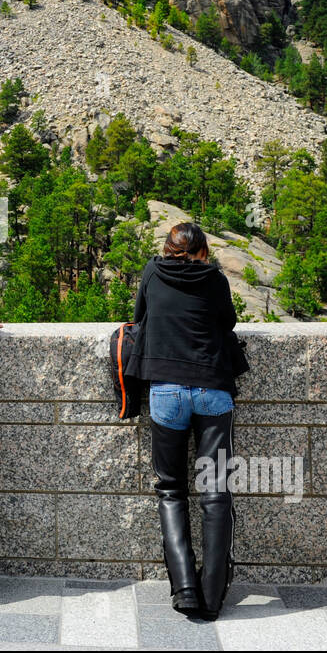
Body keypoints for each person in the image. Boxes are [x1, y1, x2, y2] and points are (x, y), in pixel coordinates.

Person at [134, 221, 241, 621]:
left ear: (166, 248)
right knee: (215, 492)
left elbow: (139, 316)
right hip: (212, 387)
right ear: (202, 251)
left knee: (171, 489)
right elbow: (227, 322)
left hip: (166, 391)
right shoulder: (214, 278)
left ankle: (184, 591)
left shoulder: (151, 271)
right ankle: (212, 595)